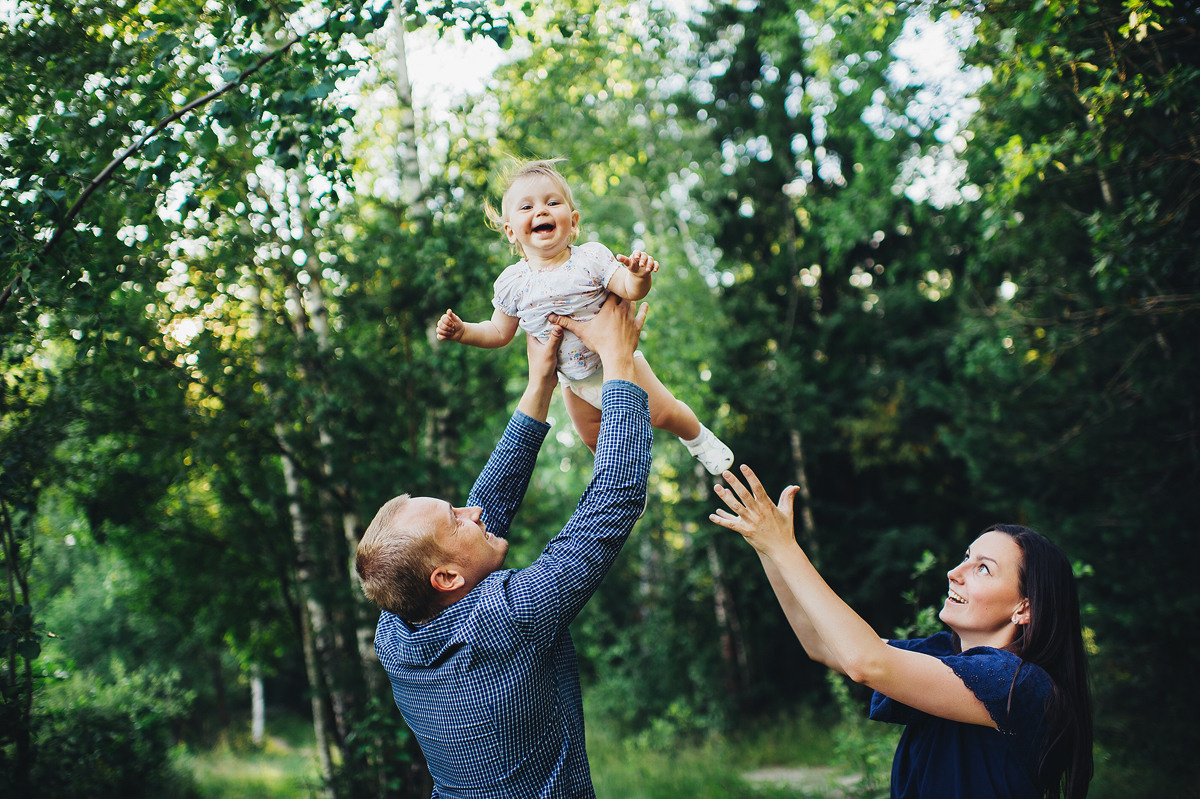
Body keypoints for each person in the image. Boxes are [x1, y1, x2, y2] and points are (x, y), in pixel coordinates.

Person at [356, 294, 652, 798]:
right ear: (446, 579)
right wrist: (620, 361)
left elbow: (481, 512)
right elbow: (613, 501)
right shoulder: (510, 617)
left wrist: (539, 385)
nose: (474, 513)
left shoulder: (397, 628)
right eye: (456, 517)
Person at [710, 465, 1093, 799]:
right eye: (965, 557)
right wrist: (769, 549)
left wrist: (787, 549)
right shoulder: (946, 654)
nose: (953, 573)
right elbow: (822, 645)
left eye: (983, 569)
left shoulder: (1020, 685)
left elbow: (866, 663)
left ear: (1024, 608)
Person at [435, 158, 733, 475]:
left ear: (573, 220)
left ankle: (698, 438)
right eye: (526, 207)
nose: (541, 211)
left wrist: (639, 275)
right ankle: (618, 476)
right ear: (510, 231)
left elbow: (629, 289)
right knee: (593, 437)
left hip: (617, 363)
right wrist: (463, 331)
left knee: (664, 414)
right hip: (571, 381)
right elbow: (498, 331)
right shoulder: (512, 283)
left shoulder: (590, 258)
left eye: (552, 202)